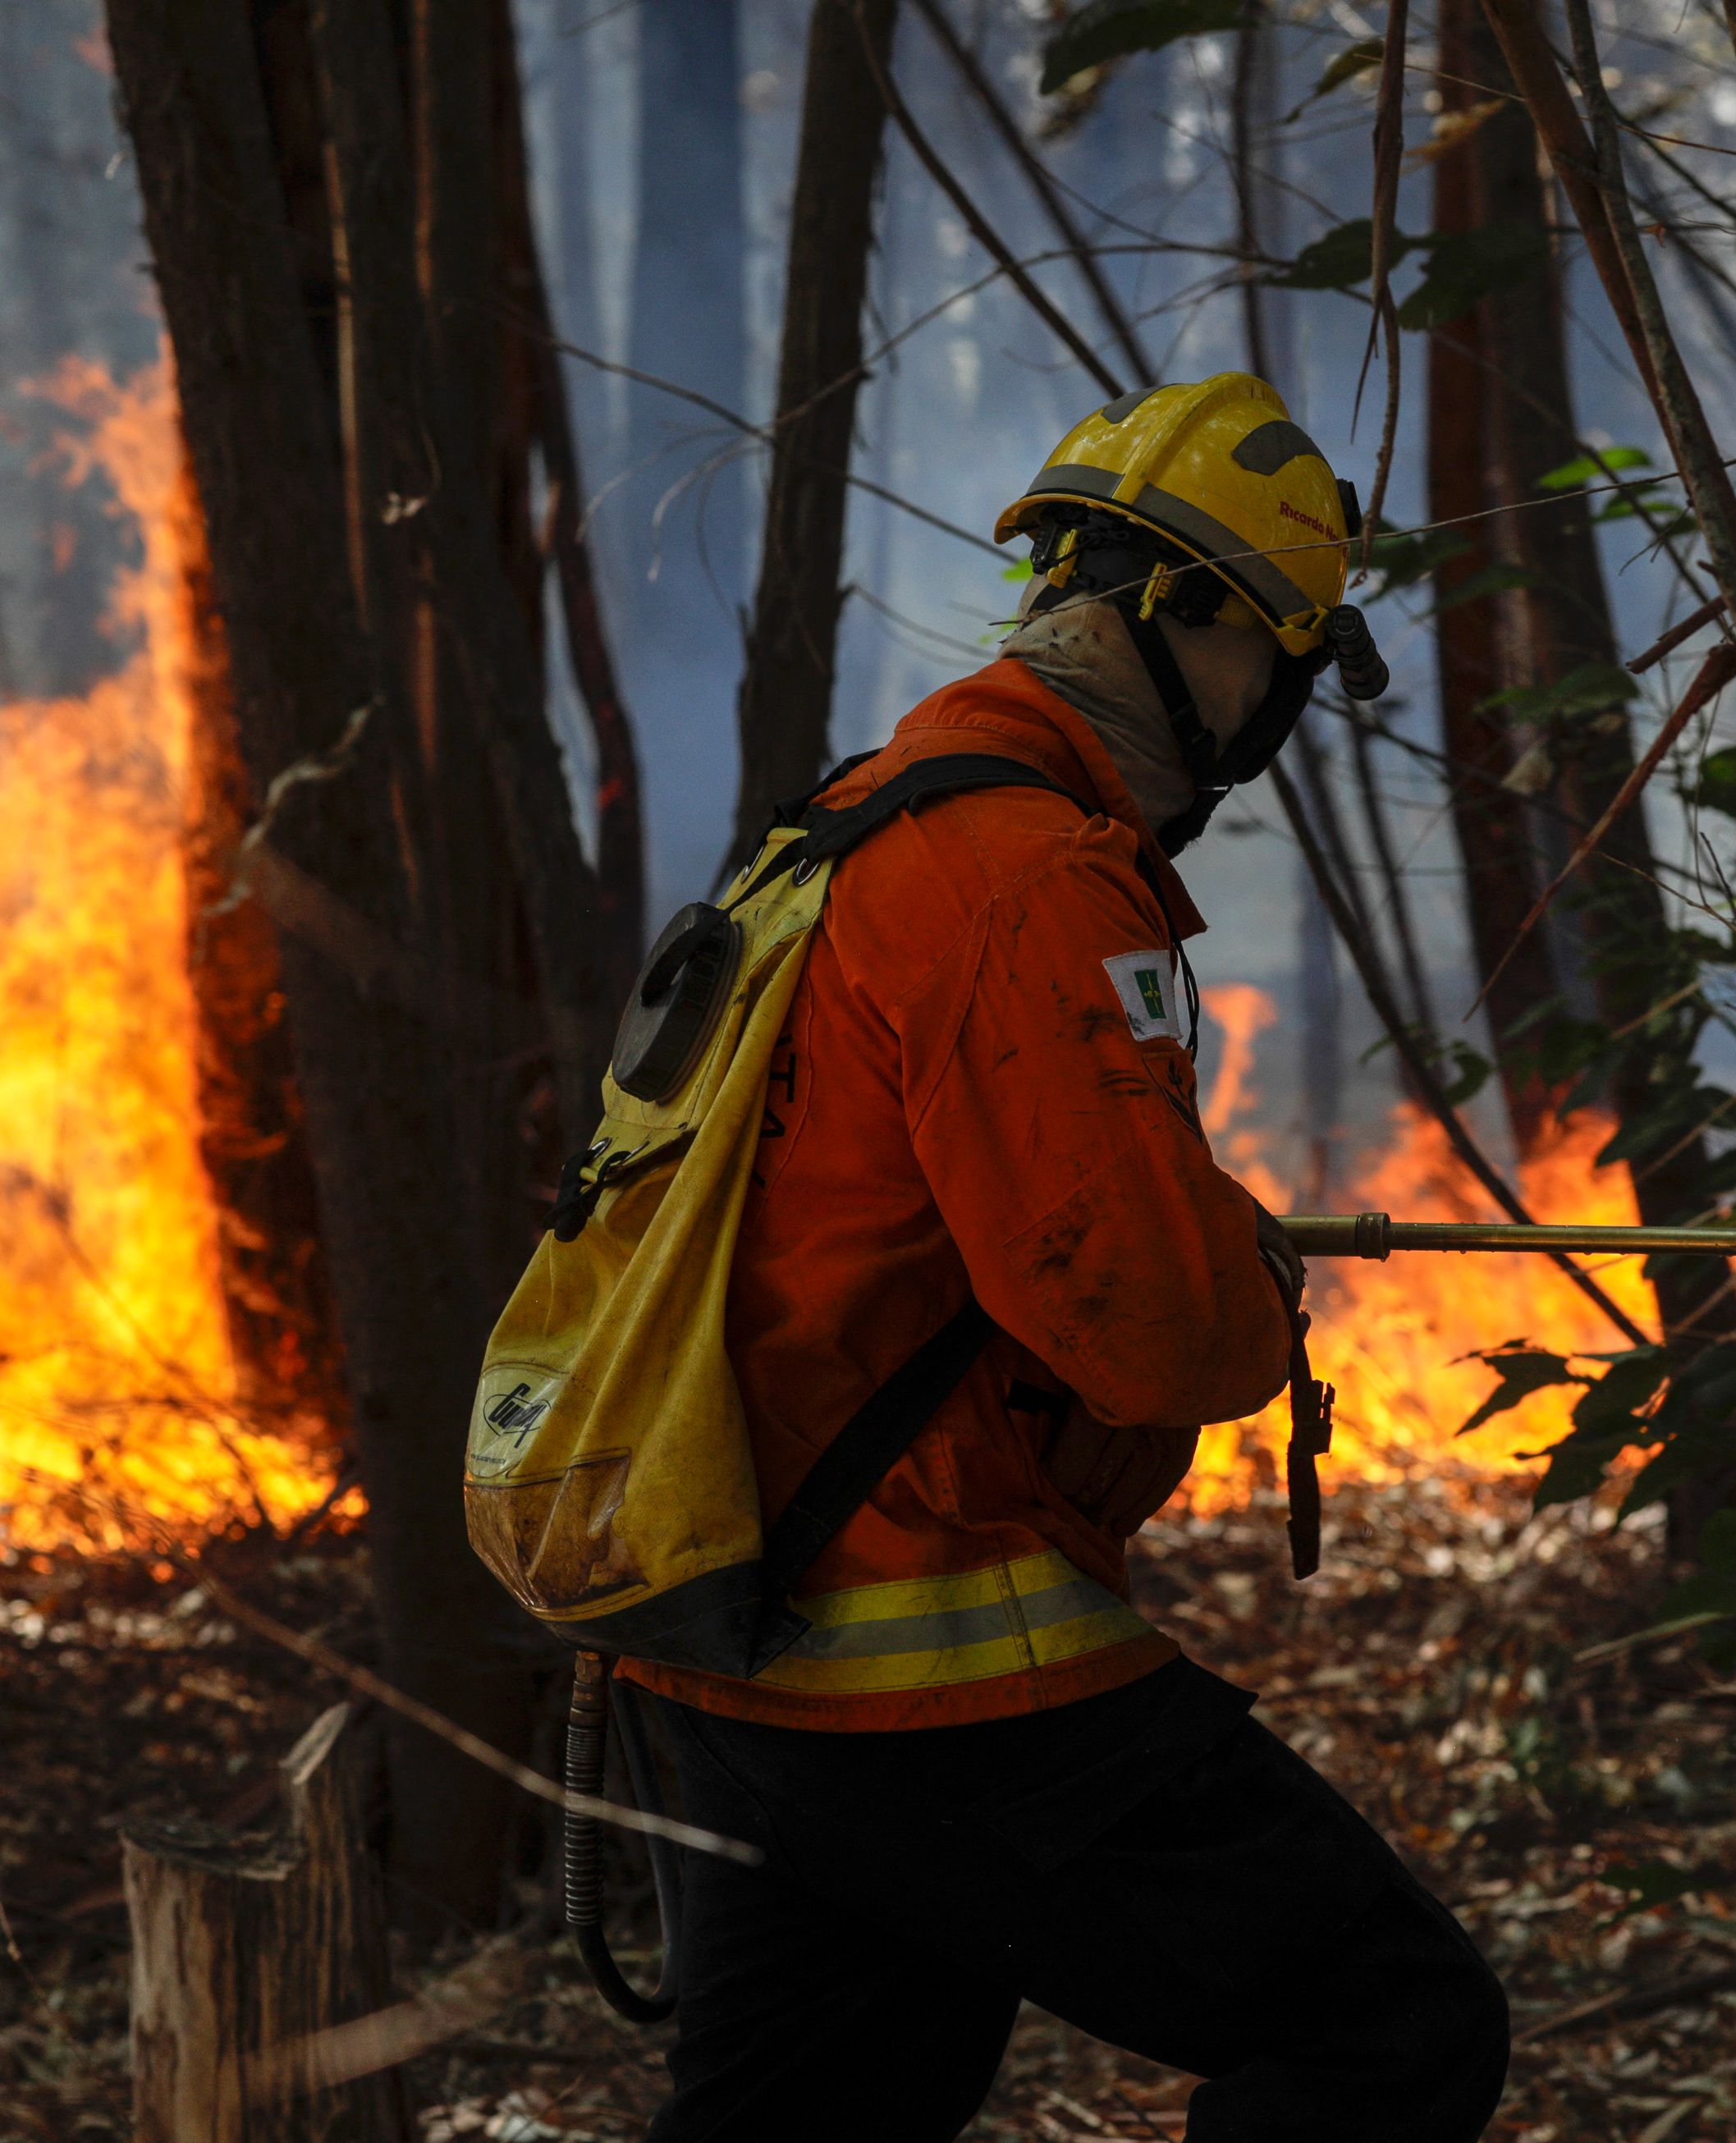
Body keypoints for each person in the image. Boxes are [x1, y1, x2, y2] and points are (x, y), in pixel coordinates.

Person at [623, 375, 1511, 2141]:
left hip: (728, 1634)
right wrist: (1254, 1286)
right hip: (922, 1655)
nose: (1259, 722)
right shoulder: (1026, 877)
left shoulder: (866, 818)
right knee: (1389, 2022)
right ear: (1189, 619)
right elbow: (1150, 1328)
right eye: (1271, 662)